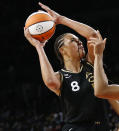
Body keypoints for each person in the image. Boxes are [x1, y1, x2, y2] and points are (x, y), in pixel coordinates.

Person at [24, 2, 111, 131]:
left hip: (101, 126)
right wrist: (39, 47)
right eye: (73, 41)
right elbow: (49, 81)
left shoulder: (91, 63)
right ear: (62, 50)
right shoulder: (61, 76)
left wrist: (61, 19)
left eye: (79, 40)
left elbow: (92, 36)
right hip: (75, 127)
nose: (80, 42)